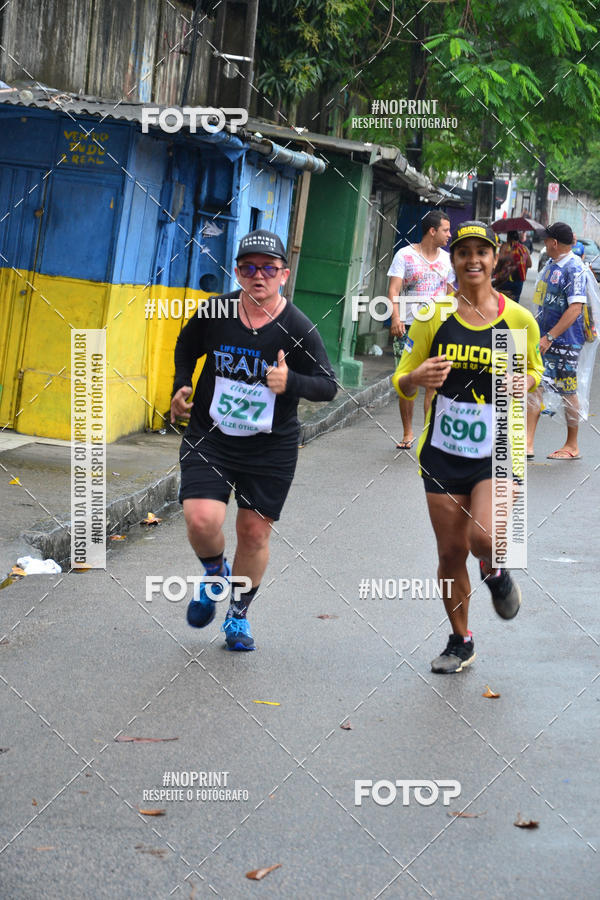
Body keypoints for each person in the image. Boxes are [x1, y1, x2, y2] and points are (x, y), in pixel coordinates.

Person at [170, 229, 337, 651]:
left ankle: (238, 617)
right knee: (202, 518)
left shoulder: (297, 327)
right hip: (211, 434)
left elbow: (328, 385)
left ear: (283, 274)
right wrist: (181, 383)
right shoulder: (217, 312)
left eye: (267, 268)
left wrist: (290, 381)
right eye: (248, 267)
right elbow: (187, 344)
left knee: (253, 532)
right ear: (239, 272)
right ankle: (214, 572)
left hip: (270, 445)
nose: (257, 275)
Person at [392, 221, 543, 674]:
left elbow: (535, 371)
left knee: (483, 538)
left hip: (498, 446)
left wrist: (526, 380)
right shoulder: (434, 315)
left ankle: (496, 571)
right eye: (463, 253)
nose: (473, 260)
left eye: (482, 252)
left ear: (495, 260)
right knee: (450, 554)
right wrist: (416, 379)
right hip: (443, 451)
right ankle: (461, 641)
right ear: (453, 261)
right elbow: (402, 377)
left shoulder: (517, 320)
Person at [387, 210, 453, 449]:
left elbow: (454, 292)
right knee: (406, 380)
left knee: (434, 383)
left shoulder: (447, 260)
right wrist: (395, 317)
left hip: (439, 328)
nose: (449, 234)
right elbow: (393, 290)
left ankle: (429, 433)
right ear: (432, 231)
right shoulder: (404, 255)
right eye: (445, 230)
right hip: (409, 327)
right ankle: (407, 433)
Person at [527, 222, 587, 460]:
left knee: (566, 390)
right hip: (543, 338)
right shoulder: (552, 265)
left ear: (553, 243)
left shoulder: (574, 268)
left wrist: (551, 336)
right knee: (535, 385)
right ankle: (528, 443)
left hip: (565, 341)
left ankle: (572, 444)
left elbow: (575, 308)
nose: (544, 243)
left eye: (546, 240)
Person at [492, 230, 531, 302]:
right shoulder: (524, 248)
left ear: (508, 237)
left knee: (502, 302)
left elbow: (500, 262)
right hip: (519, 281)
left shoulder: (505, 246)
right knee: (515, 303)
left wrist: (494, 273)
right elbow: (529, 264)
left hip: (505, 279)